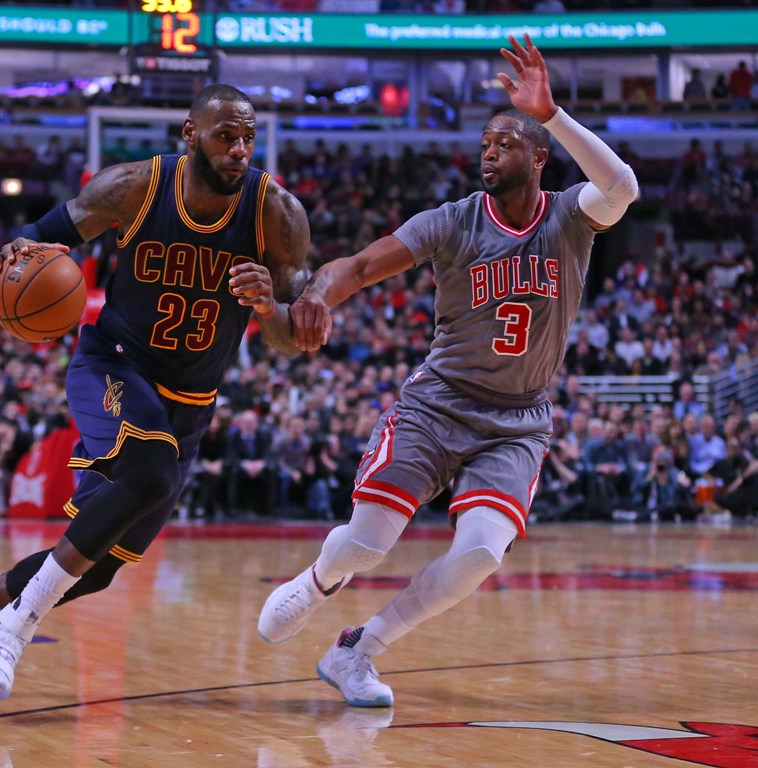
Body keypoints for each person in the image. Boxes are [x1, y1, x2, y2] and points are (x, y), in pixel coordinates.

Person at [0, 84, 318, 699]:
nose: (240, 149)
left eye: (248, 137)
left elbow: (289, 340)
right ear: (190, 134)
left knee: (96, 570)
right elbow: (38, 236)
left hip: (190, 405)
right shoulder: (134, 187)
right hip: (113, 366)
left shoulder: (278, 215)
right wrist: (14, 255)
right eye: (227, 135)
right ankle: (10, 631)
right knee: (147, 475)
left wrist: (267, 307)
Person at [258, 35, 638, 708]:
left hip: (518, 420)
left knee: (481, 555)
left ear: (540, 156)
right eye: (485, 143)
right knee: (367, 546)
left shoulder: (571, 217)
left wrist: (550, 111)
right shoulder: (453, 221)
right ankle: (319, 580)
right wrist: (317, 293)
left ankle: (358, 649)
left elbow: (623, 186)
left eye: (506, 142)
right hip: (438, 403)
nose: (489, 152)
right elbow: (365, 264)